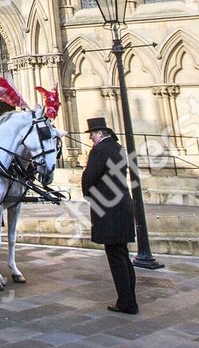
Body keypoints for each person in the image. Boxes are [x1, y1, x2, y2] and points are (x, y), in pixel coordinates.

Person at [82, 116, 138, 315]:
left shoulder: (99, 150)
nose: (90, 139)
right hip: (123, 203)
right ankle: (129, 299)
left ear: (99, 133)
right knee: (122, 254)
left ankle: (126, 303)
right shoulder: (117, 148)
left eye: (91, 135)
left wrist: (88, 195)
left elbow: (89, 177)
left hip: (109, 208)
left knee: (115, 256)